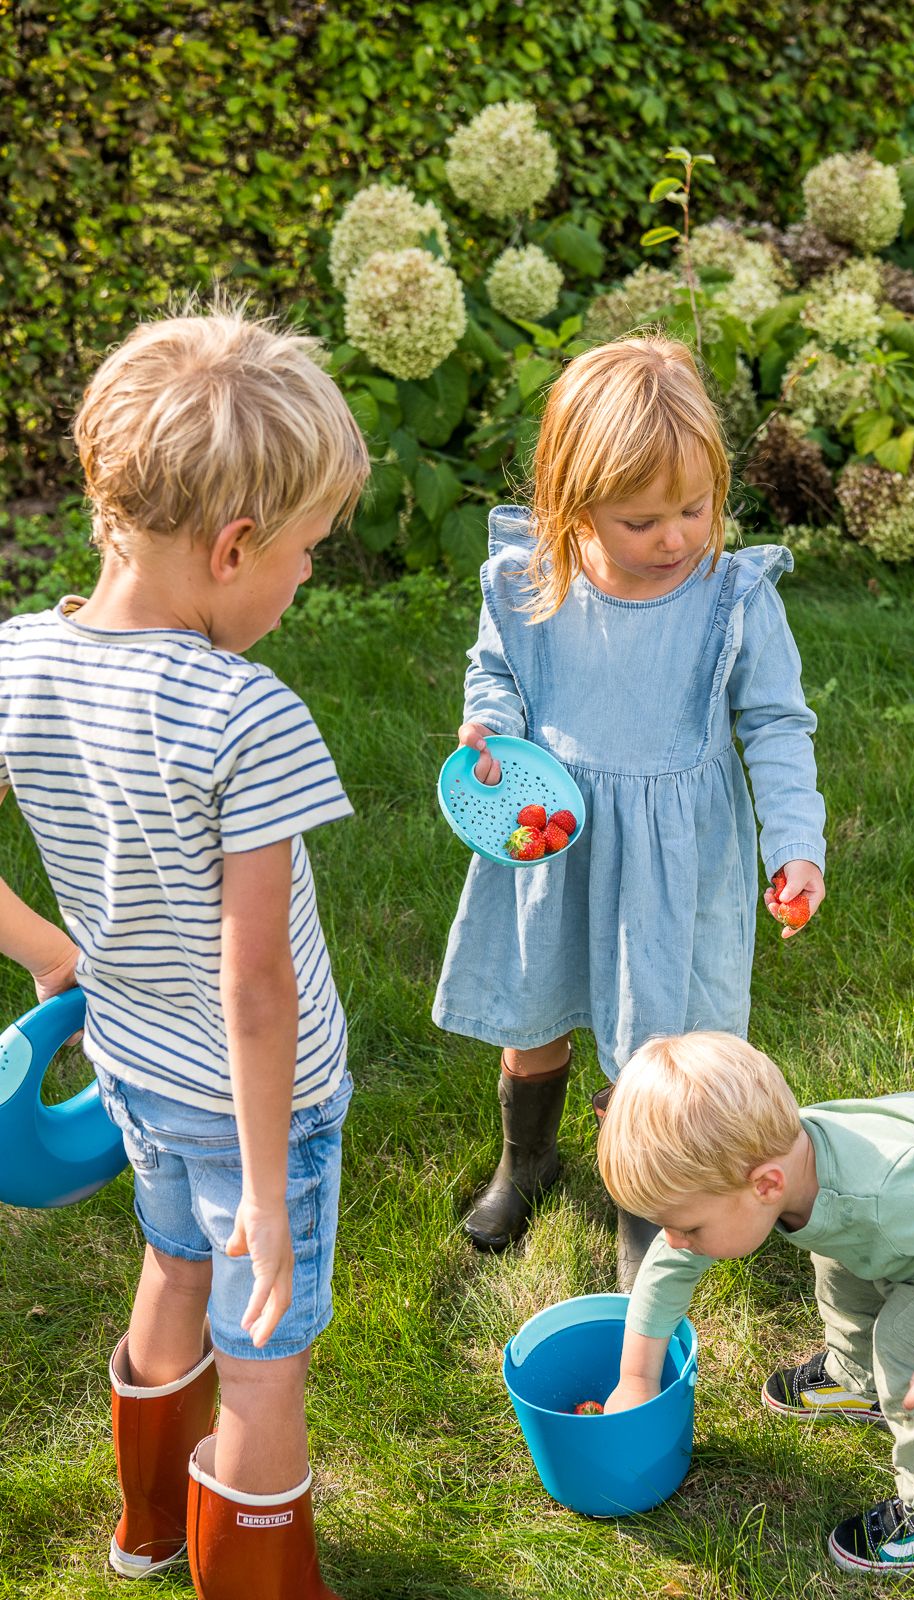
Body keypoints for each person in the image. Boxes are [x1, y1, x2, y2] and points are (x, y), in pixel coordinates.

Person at [0, 304, 368, 1598]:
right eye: (308, 552)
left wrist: (57, 957)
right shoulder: (246, 714)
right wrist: (270, 1192)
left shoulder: (16, 663)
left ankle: (146, 1532)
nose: (307, 577)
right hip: (262, 1107)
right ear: (231, 546)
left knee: (170, 1266)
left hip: (133, 1073)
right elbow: (257, 988)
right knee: (264, 1367)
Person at [432, 335, 826, 1286]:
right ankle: (526, 1161)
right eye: (642, 520)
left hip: (672, 858)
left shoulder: (731, 599)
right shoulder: (531, 582)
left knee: (651, 1038)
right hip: (557, 840)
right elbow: (498, 677)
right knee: (539, 1009)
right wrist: (485, 725)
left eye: (696, 509)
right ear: (572, 505)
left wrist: (797, 842)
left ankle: (645, 1194)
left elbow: (774, 724)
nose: (678, 538)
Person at [597, 1031, 914, 1572]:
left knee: (912, 1349)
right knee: (840, 1259)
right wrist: (636, 1379)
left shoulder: (880, 1192)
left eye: (688, 1226)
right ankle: (856, 1375)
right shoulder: (784, 1164)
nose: (675, 1241)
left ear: (765, 1186)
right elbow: (669, 1266)